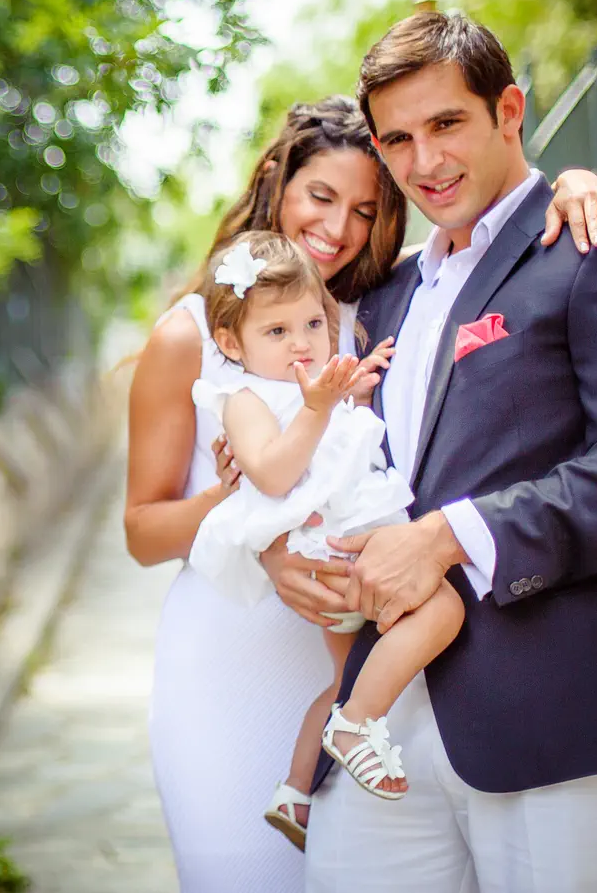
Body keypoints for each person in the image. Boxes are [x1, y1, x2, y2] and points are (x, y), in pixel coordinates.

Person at [127, 93, 597, 893]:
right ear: (276, 181)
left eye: (365, 211)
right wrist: (257, 530)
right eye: (320, 197)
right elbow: (141, 529)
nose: (337, 229)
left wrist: (570, 182)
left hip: (362, 650)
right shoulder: (192, 334)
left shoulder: (383, 307)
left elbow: (489, 244)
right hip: (232, 651)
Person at [303, 11, 597, 892]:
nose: (425, 163)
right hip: (386, 712)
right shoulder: (386, 292)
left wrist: (450, 535)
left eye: (447, 123)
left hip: (562, 708)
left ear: (509, 110)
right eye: (399, 140)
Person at [189, 231, 462, 850]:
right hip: (332, 547)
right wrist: (318, 407)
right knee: (441, 608)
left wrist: (349, 394)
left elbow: (334, 440)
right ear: (232, 343)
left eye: (312, 323)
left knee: (345, 680)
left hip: (336, 542)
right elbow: (276, 473)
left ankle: (296, 789)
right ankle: (358, 726)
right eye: (277, 332)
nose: (301, 343)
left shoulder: (306, 387)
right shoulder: (243, 399)